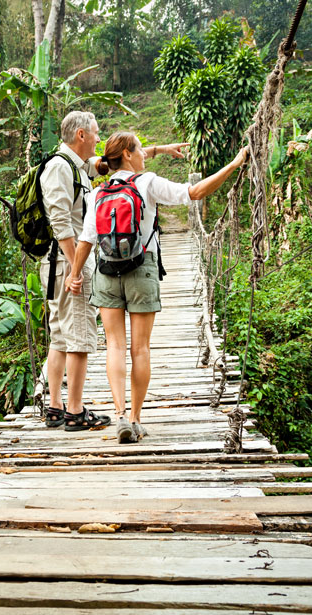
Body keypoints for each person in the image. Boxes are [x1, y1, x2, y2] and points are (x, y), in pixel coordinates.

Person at [66, 131, 248, 442]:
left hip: (107, 272)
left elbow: (86, 240)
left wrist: (74, 274)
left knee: (115, 346)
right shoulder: (147, 183)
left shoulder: (97, 194)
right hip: (141, 269)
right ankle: (136, 419)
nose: (142, 155)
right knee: (140, 348)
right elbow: (196, 192)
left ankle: (120, 414)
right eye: (139, 149)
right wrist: (233, 164)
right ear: (127, 154)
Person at [40, 112, 189, 430]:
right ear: (81, 135)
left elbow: (120, 161)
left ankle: (55, 407)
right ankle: (75, 412)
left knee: (61, 336)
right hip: (66, 261)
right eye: (95, 133)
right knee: (78, 335)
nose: (98, 138)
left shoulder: (78, 166)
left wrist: (160, 150)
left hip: (69, 263)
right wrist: (75, 269)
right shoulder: (58, 167)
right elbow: (61, 223)